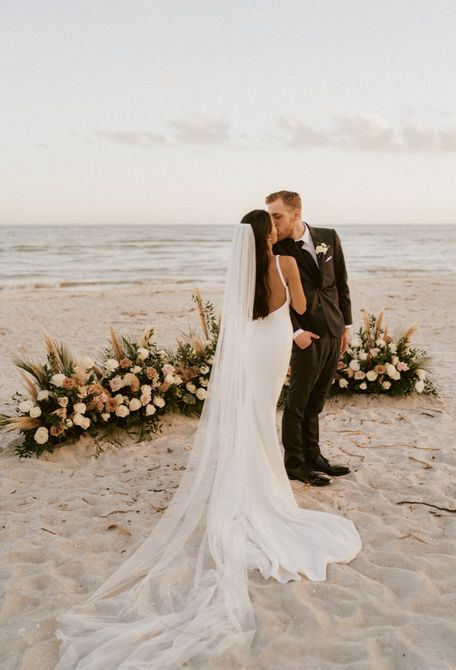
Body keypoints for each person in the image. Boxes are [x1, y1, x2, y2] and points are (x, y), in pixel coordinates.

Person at [54, 211, 361, 670]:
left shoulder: (244, 269)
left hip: (254, 347)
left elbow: (238, 321)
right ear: (268, 233)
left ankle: (247, 483)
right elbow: (298, 303)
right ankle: (267, 491)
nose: (278, 228)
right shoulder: (286, 262)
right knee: (262, 414)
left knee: (250, 415)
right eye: (272, 225)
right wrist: (299, 322)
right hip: (277, 346)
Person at [268, 190, 354, 487]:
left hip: (333, 328)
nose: (273, 222)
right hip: (304, 334)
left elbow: (340, 282)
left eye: (277, 216)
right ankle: (294, 464)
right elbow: (276, 297)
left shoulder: (328, 237)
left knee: (316, 402)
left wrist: (345, 325)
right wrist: (295, 332)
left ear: (296, 213)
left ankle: (314, 457)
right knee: (297, 402)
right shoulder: (276, 248)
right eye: (269, 216)